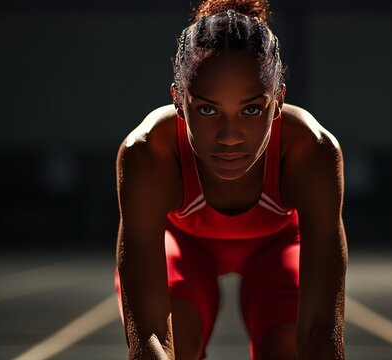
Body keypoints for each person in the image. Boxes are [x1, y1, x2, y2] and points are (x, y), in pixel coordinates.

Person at [114, 1, 347, 359]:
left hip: (277, 250)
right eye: (207, 109)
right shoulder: (149, 154)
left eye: (251, 109)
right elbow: (150, 337)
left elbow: (322, 333)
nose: (230, 137)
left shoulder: (310, 153)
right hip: (185, 250)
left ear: (279, 102)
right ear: (178, 101)